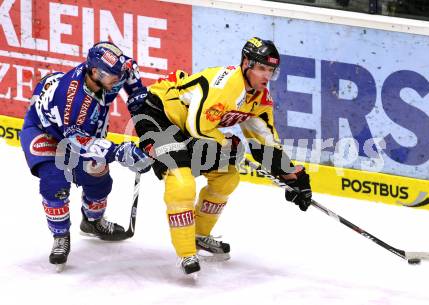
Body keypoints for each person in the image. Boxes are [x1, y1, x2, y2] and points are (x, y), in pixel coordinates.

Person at [126, 37, 312, 275]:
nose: (266, 76)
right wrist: (227, 143)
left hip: (191, 128)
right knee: (182, 181)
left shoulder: (259, 99)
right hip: (158, 116)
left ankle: (199, 236)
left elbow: (264, 141)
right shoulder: (226, 85)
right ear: (246, 63)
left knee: (227, 177)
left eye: (271, 71)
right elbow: (198, 127)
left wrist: (290, 174)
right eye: (262, 68)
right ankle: (186, 253)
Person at [20, 41, 151, 270]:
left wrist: (139, 102)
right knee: (55, 184)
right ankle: (60, 236)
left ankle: (93, 222)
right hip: (48, 132)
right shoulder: (74, 101)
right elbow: (78, 140)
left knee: (98, 178)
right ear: (94, 72)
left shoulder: (109, 73)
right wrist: (119, 151)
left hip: (81, 131)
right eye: (113, 76)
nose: (118, 79)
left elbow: (130, 69)